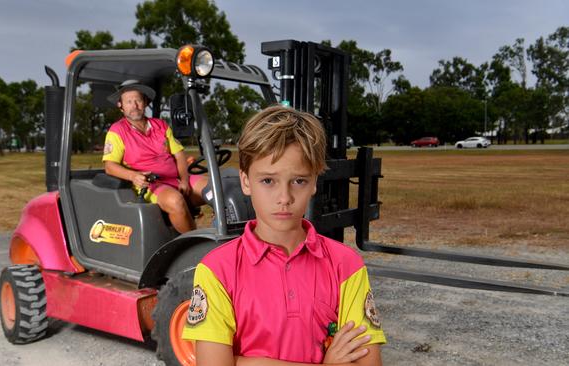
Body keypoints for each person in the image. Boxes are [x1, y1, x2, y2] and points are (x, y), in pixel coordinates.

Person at [182, 105, 386, 365]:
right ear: (245, 181)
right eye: (268, 181)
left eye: (298, 181)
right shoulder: (217, 270)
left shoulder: (346, 265)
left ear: (314, 182)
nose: (284, 198)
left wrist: (245, 361)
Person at [102, 80, 207, 233]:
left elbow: (179, 155)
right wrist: (133, 176)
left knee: (215, 189)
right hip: (151, 184)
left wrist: (184, 180)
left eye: (138, 100)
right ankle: (195, 245)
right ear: (121, 105)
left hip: (176, 179)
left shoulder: (161, 125)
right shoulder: (117, 131)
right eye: (129, 101)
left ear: (145, 102)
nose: (134, 105)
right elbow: (109, 166)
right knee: (176, 201)